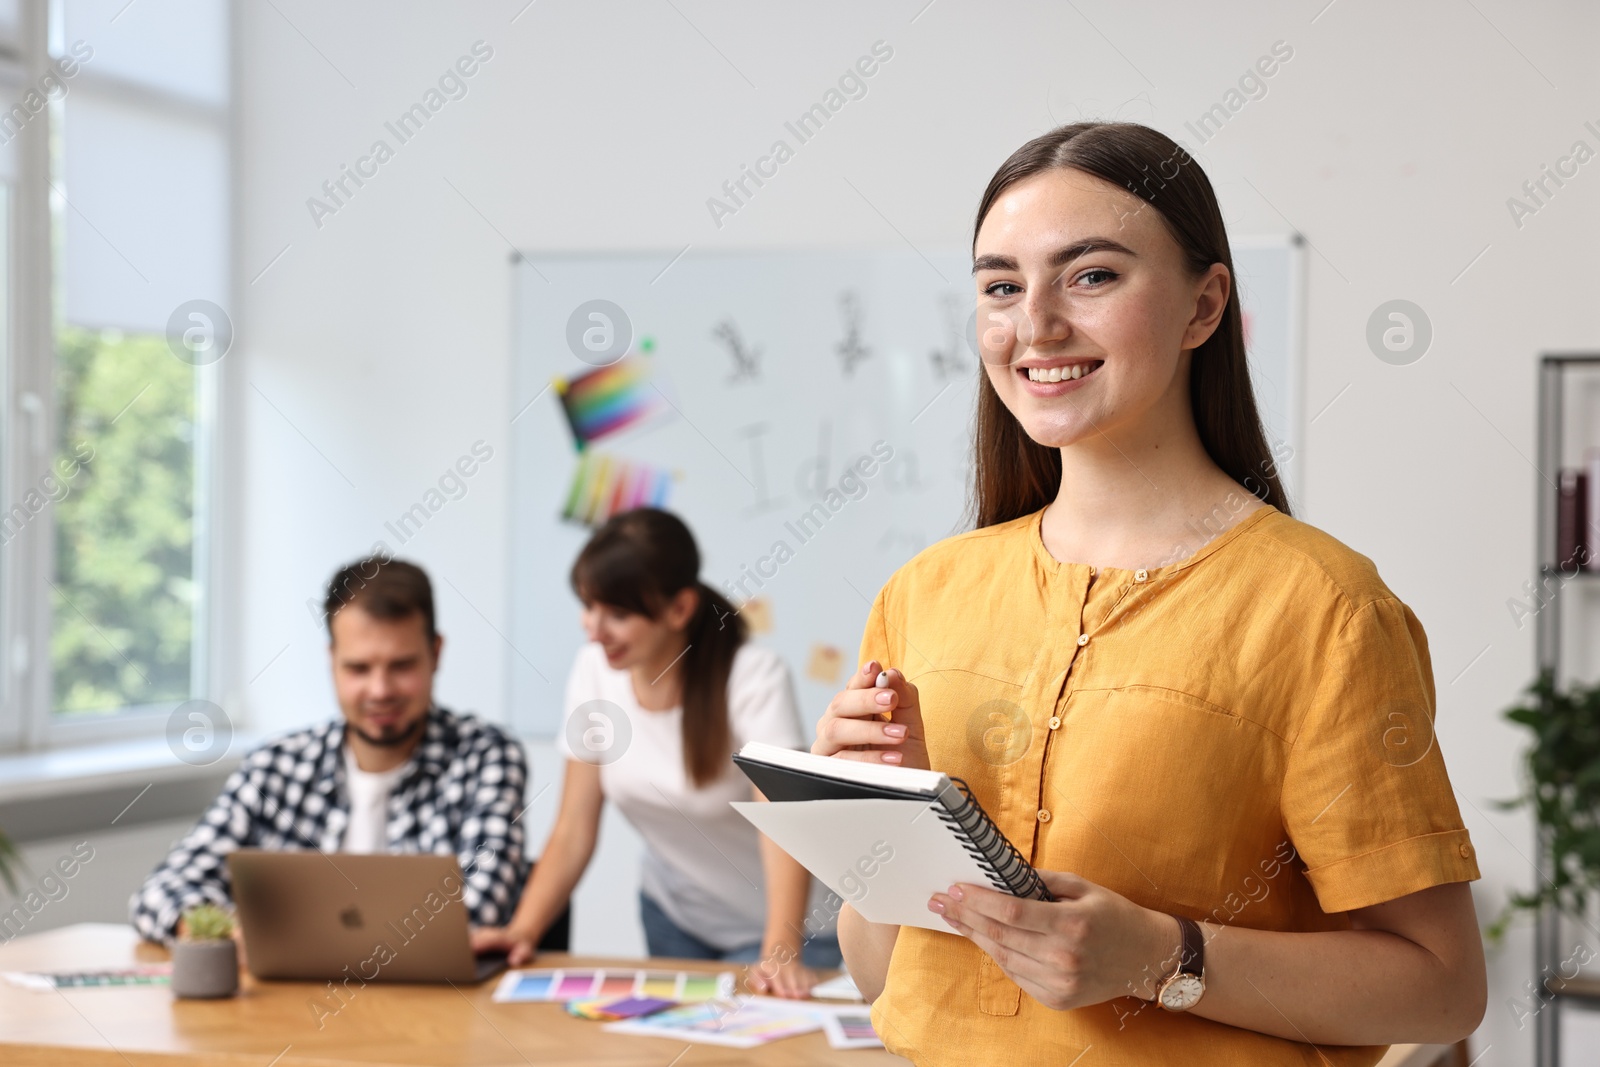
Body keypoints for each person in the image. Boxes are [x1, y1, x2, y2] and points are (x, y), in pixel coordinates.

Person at [812, 122, 1487, 1065]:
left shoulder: (1324, 609)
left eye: (1091, 276)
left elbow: (1443, 985)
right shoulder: (924, 592)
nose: (1036, 325)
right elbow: (882, 974)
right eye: (1002, 286)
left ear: (1204, 305)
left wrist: (1165, 957)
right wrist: (875, 825)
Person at [473, 508, 840, 997]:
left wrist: (780, 952)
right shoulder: (594, 672)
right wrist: (522, 932)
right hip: (675, 918)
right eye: (588, 606)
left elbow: (783, 824)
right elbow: (573, 830)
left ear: (679, 609)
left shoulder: (753, 677)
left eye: (618, 615)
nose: (593, 629)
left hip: (789, 927)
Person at [131, 557, 527, 942]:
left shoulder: (486, 757)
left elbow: (475, 910)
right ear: (331, 661)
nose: (380, 690)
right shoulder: (277, 766)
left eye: (401, 666)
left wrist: (279, 933)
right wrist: (228, 933)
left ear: (436, 654)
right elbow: (163, 891)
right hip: (282, 1006)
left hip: (432, 1006)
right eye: (358, 669)